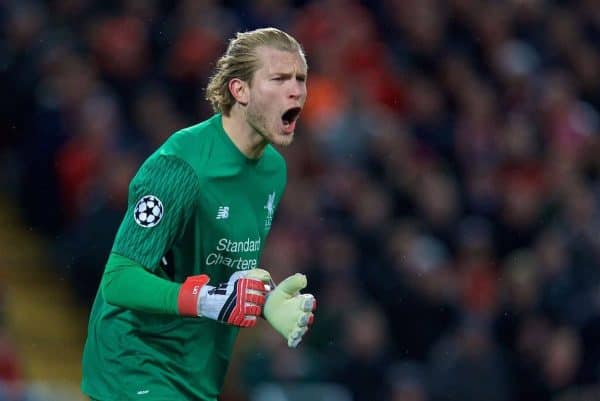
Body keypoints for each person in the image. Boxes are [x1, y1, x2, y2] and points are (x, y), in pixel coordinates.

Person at [81, 27, 316, 401]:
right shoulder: (180, 167)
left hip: (196, 371)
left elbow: (222, 269)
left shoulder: (273, 171)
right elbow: (119, 279)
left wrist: (265, 301)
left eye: (300, 79)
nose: (296, 91)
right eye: (279, 79)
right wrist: (207, 299)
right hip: (134, 365)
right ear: (240, 91)